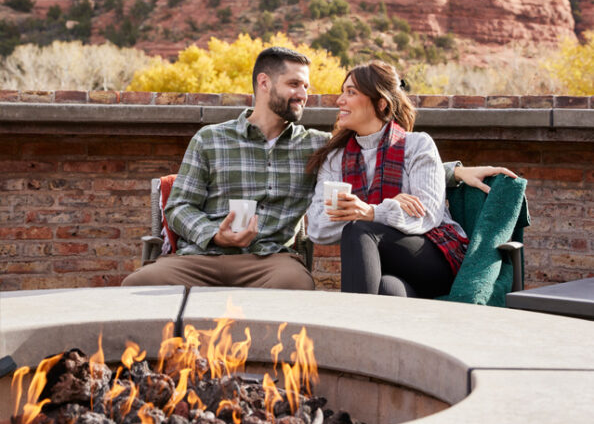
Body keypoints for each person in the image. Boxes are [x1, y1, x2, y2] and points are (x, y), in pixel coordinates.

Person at [123, 47, 514, 291]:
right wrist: (215, 235)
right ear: (264, 83)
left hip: (269, 261)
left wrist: (453, 172)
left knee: (300, 282)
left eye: (307, 86)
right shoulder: (213, 139)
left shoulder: (316, 145)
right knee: (134, 287)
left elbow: (402, 164)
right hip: (199, 258)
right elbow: (178, 208)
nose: (305, 95)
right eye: (295, 84)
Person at [305, 60, 515, 298]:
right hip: (385, 268)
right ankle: (370, 331)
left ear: (381, 103)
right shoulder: (335, 158)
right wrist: (386, 207)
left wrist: (370, 212)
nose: (340, 100)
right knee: (387, 290)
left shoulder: (417, 145)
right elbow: (318, 228)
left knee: (359, 230)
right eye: (342, 92)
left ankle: (349, 329)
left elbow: (427, 214)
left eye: (351, 92)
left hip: (431, 255)